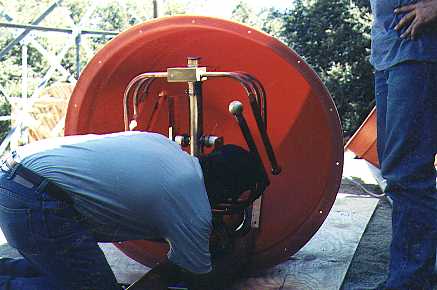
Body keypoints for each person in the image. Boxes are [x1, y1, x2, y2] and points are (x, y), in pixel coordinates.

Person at [0, 131, 266, 290]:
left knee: (65, 269)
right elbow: (199, 280)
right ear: (225, 188)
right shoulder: (192, 207)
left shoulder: (167, 147)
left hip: (15, 177)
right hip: (37, 200)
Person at [370, 0, 437, 289]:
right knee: (396, 172)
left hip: (418, 53)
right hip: (387, 55)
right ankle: (410, 275)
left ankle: (409, 282)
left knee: (408, 173)